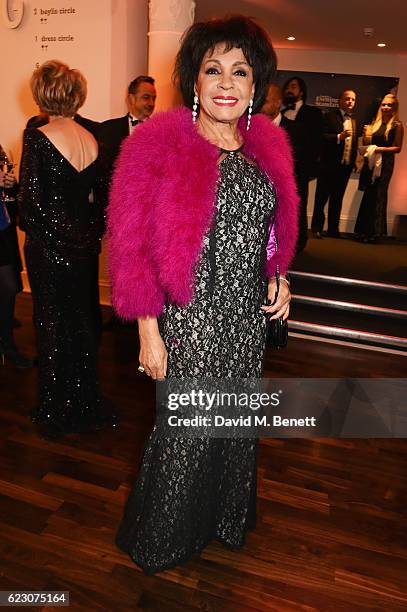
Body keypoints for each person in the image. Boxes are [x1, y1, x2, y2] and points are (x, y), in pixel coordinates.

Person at [107, 15, 298, 575]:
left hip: (246, 319)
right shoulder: (159, 144)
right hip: (187, 319)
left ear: (255, 84)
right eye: (213, 70)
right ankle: (161, 538)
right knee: (185, 433)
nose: (225, 83)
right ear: (194, 79)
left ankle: (221, 520)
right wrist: (148, 329)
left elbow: (268, 232)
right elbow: (129, 245)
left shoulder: (267, 147)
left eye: (240, 72)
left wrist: (278, 274)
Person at [18, 60, 118, 438]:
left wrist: (56, 240)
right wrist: (84, 238)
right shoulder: (93, 139)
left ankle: (56, 405)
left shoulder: (37, 136)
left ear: (42, 93)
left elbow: (30, 206)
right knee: (81, 322)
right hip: (83, 251)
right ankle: (83, 397)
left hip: (48, 249)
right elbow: (102, 205)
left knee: (51, 323)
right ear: (76, 94)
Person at [355, 93, 404, 243]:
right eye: (384, 104)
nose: (386, 107)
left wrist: (379, 149)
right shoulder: (374, 124)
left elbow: (397, 148)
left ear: (394, 107)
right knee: (369, 194)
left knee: (379, 195)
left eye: (389, 105)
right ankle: (363, 231)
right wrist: (366, 137)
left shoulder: (397, 126)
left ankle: (375, 233)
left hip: (386, 164)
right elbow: (366, 145)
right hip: (371, 163)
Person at [282, 76, 322, 252]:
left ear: (302, 91)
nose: (289, 90)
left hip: (301, 168)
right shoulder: (282, 113)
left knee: (300, 204)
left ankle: (300, 242)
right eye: (287, 87)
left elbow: (315, 143)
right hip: (283, 168)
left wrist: (309, 167)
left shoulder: (313, 113)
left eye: (293, 87)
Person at [0, 148, 33, 367]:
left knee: (9, 287)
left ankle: (7, 344)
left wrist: (9, 183)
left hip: (1, 224)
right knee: (9, 286)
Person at [311, 90, 358, 238]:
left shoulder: (354, 121)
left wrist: (354, 160)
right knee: (321, 198)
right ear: (340, 101)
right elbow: (321, 137)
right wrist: (339, 136)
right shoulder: (329, 117)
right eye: (347, 99)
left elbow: (353, 144)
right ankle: (316, 228)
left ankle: (333, 230)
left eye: (353, 100)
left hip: (345, 167)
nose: (350, 102)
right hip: (329, 165)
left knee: (337, 199)